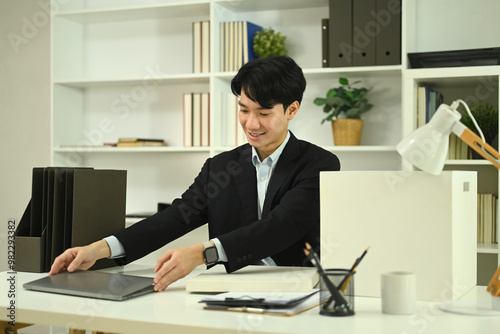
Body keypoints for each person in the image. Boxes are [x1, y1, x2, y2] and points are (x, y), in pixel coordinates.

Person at [49, 55, 341, 292]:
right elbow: (176, 217)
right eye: (243, 110)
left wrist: (203, 253)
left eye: (264, 113)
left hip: (298, 292)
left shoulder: (319, 164)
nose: (251, 123)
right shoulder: (221, 167)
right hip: (227, 292)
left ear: (292, 109)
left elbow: (281, 226)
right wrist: (99, 249)